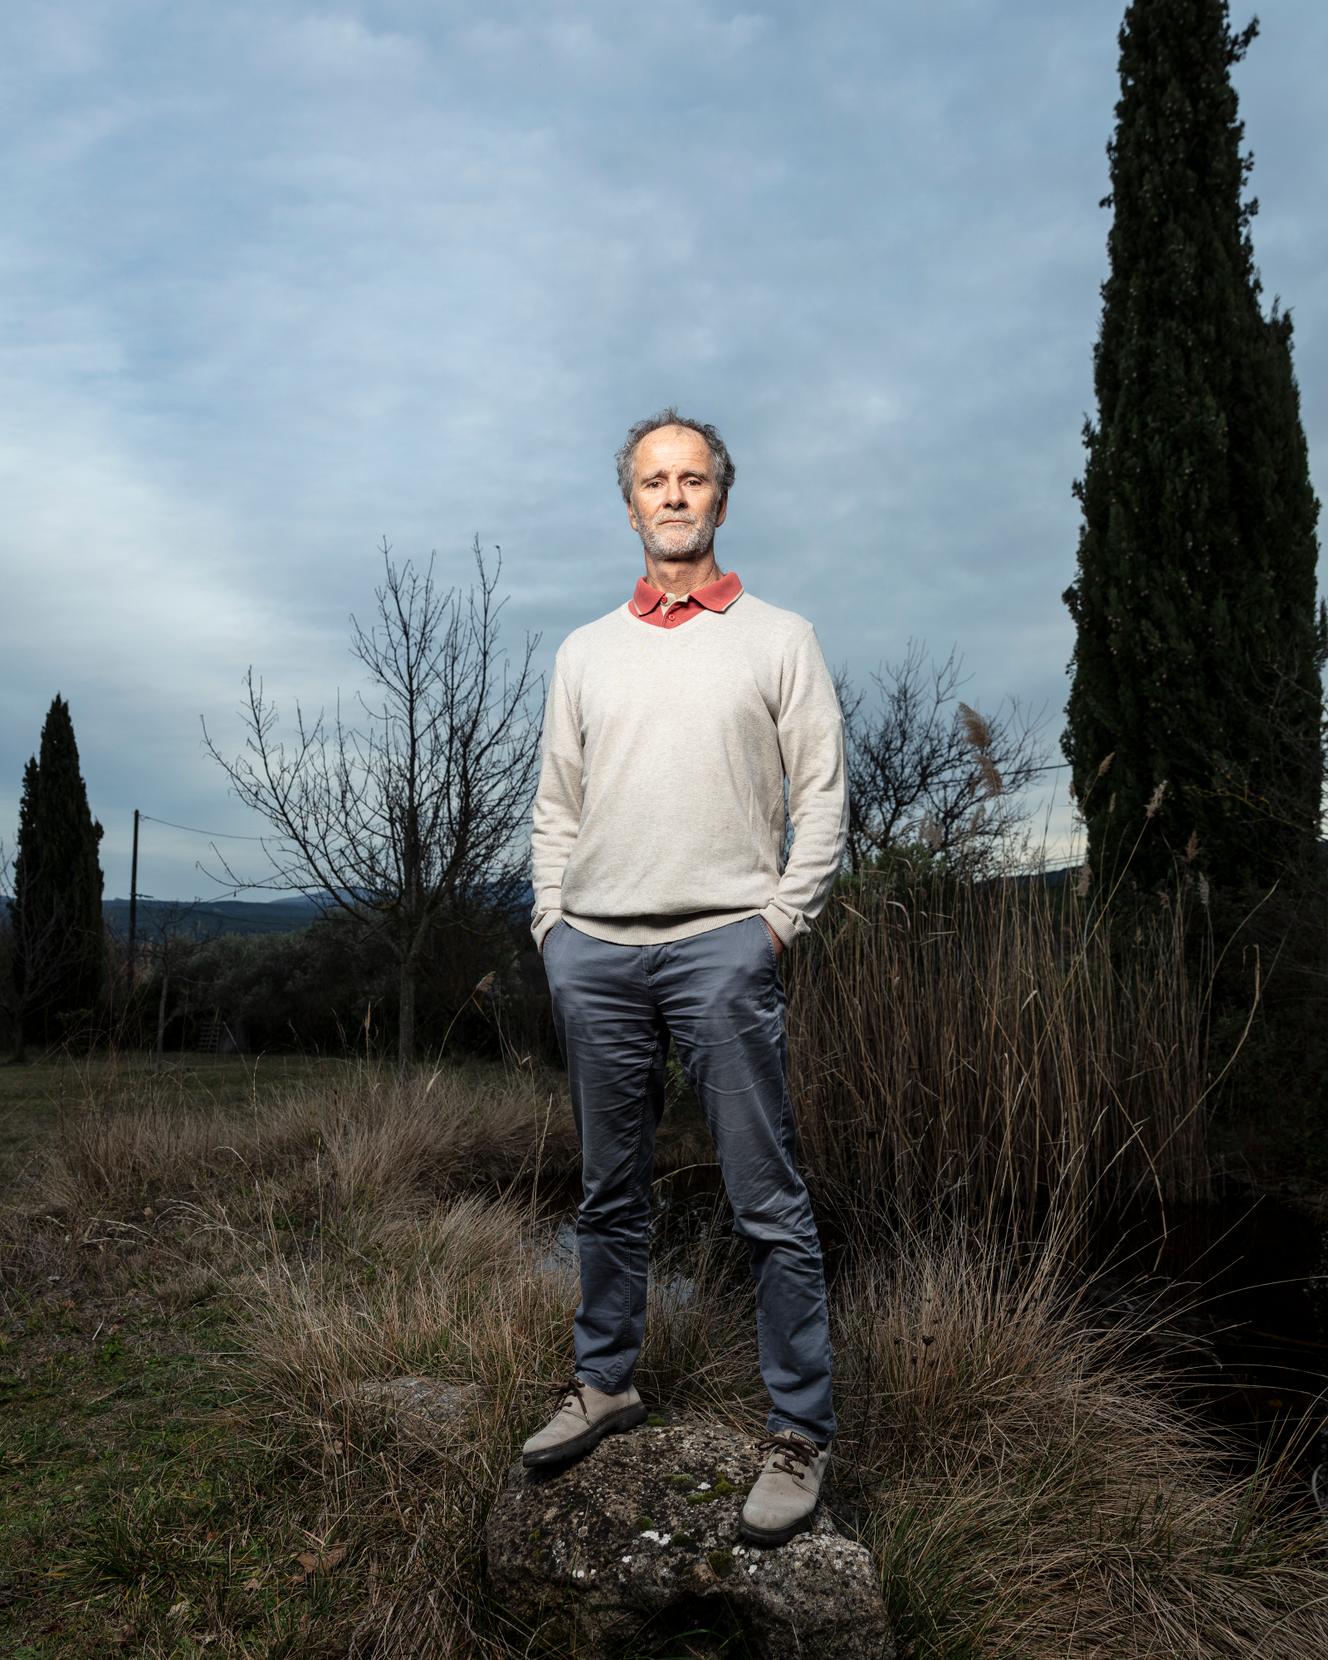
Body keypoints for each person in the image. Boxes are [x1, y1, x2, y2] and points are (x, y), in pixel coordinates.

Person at [521, 407, 848, 1548]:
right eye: (653, 480)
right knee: (609, 1193)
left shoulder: (778, 638)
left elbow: (820, 799)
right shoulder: (582, 652)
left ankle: (797, 1433)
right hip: (595, 955)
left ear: (720, 497)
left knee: (765, 1200)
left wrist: (772, 924)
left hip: (723, 945)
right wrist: (551, 930)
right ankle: (603, 1381)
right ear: (629, 504)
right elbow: (554, 808)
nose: (672, 495)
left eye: (692, 478)